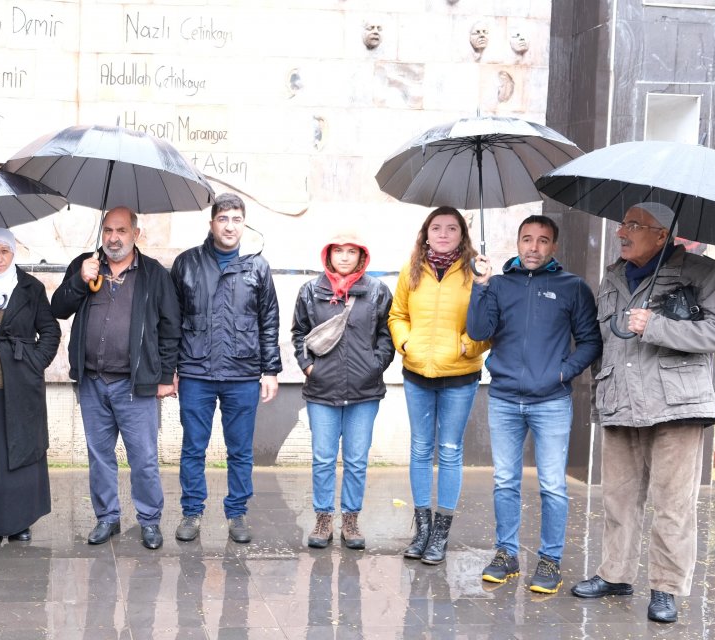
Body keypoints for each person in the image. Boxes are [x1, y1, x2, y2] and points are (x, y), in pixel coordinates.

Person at [571, 203, 715, 624]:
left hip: (677, 403)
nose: (620, 233)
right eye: (622, 224)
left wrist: (658, 326)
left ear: (662, 235)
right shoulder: (612, 275)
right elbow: (603, 337)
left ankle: (665, 588)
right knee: (618, 499)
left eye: (632, 226)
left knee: (672, 503)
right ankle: (615, 574)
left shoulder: (702, 272)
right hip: (620, 399)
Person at [466, 215, 601, 593]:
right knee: (505, 480)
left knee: (553, 485)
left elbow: (591, 341)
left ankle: (550, 560)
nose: (533, 247)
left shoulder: (572, 287)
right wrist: (480, 286)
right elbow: (477, 331)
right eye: (527, 239)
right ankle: (506, 554)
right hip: (505, 398)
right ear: (518, 241)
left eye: (543, 241)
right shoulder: (499, 285)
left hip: (551, 401)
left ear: (553, 247)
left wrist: (561, 373)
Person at [51, 206, 181, 550]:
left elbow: (170, 329)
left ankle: (150, 520)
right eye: (108, 230)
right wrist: (80, 279)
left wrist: (166, 376)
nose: (113, 237)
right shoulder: (86, 265)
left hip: (135, 385)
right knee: (99, 455)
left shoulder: (154, 274)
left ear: (135, 235)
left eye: (121, 231)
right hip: (93, 381)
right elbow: (58, 307)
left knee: (144, 457)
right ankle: (107, 516)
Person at [170, 193, 281, 544]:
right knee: (193, 447)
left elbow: (269, 321)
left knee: (240, 450)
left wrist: (270, 370)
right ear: (212, 223)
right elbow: (171, 320)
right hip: (195, 372)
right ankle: (191, 512)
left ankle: (237, 513)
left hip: (243, 373)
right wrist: (169, 368)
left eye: (236, 219)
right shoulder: (186, 263)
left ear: (243, 224)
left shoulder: (257, 267)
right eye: (223, 219)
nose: (229, 226)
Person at [388, 207, 489, 565]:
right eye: (436, 228)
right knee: (419, 449)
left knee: (448, 450)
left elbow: (489, 321)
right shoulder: (411, 269)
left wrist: (469, 345)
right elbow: (397, 314)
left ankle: (441, 535)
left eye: (451, 228)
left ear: (462, 234)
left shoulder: (478, 270)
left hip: (460, 374)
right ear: (426, 233)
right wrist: (405, 343)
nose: (443, 234)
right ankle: (423, 531)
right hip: (417, 372)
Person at [291, 229, 394, 550]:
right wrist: (309, 367)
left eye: (352, 251)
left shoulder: (377, 292)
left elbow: (386, 335)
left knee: (356, 459)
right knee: (322, 458)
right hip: (322, 390)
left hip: (364, 392)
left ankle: (350, 519)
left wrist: (375, 365)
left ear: (362, 256)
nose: (345, 257)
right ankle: (323, 519)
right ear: (328, 254)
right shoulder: (311, 291)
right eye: (339, 250)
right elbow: (299, 333)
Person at [0, 228, 61, 541]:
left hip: (22, 383)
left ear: (13, 252)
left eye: (4, 251)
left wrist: (35, 363)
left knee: (22, 450)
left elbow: (50, 331)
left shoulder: (31, 287)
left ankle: (21, 520)